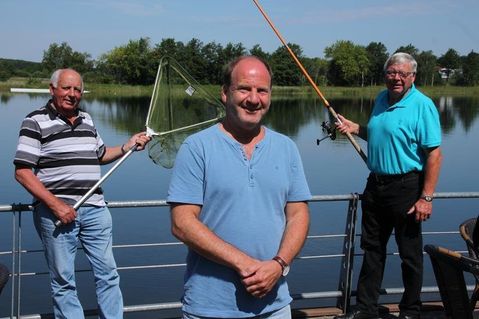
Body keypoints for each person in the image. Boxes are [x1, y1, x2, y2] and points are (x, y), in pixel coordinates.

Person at [167, 55, 311, 318]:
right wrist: (246, 265)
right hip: (209, 308)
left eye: (262, 91)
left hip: (275, 306)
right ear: (225, 93)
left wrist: (279, 265)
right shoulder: (196, 147)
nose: (253, 99)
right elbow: (182, 223)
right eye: (244, 88)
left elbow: (298, 214)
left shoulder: (286, 148)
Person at [13, 68, 151, 318]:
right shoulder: (35, 121)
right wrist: (56, 205)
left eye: (77, 89)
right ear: (52, 89)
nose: (72, 94)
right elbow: (23, 172)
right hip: (57, 213)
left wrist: (127, 146)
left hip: (96, 209)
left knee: (108, 274)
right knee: (64, 281)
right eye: (66, 88)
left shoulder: (87, 119)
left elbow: (100, 155)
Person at [334, 52, 442, 319]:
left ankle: (410, 310)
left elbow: (434, 154)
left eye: (402, 74)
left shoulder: (422, 105)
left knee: (409, 255)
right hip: (376, 187)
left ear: (412, 77)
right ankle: (365, 309)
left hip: (407, 187)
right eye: (391, 73)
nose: (396, 78)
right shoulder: (382, 99)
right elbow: (380, 133)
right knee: (371, 250)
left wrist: (426, 198)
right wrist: (355, 127)